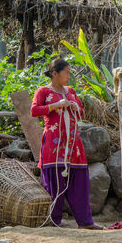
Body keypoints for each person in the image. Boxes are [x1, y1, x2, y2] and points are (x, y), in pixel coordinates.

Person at [30, 58, 103, 229]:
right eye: (67, 72)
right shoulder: (43, 91)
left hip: (74, 146)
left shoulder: (70, 91)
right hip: (54, 146)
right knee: (54, 185)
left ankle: (85, 222)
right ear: (55, 73)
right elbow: (34, 111)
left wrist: (78, 109)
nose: (69, 76)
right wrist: (56, 105)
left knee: (79, 183)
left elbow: (81, 114)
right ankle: (53, 221)